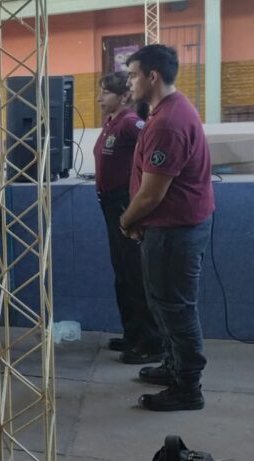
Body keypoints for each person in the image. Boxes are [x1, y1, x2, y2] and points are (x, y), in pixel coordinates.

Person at [121, 44, 215, 412]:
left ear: (152, 77)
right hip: (171, 230)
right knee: (164, 303)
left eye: (132, 75)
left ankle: (188, 387)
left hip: (174, 232)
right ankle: (174, 366)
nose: (129, 83)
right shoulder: (167, 111)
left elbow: (152, 194)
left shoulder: (168, 123)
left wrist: (126, 220)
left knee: (176, 309)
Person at [93, 71, 163, 364]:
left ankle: (150, 343)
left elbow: (153, 148)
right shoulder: (112, 122)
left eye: (105, 93)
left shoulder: (131, 122)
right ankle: (132, 334)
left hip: (125, 203)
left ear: (123, 96)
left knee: (134, 275)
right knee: (122, 274)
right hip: (109, 204)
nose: (99, 98)